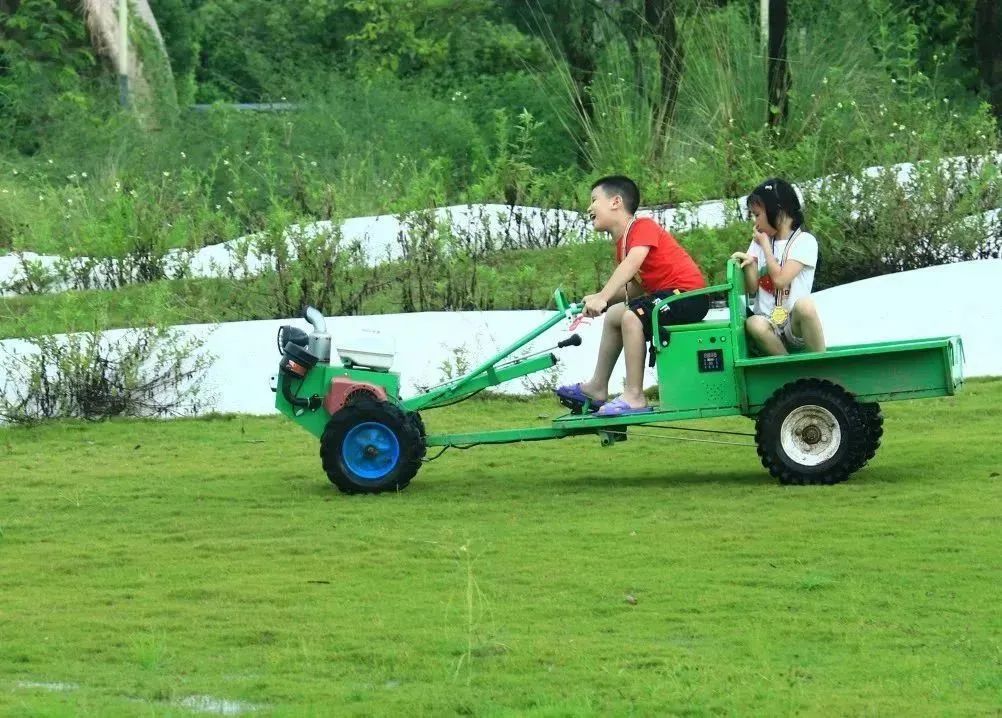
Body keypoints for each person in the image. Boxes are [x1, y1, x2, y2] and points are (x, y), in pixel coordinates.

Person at [555, 175, 708, 416]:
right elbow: (636, 287)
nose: (589, 207)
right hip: (668, 295)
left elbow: (632, 263)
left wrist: (603, 296)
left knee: (631, 317)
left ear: (615, 202)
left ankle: (635, 396)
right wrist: (602, 300)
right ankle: (597, 387)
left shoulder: (642, 226)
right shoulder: (623, 243)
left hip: (688, 296)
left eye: (594, 200)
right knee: (617, 314)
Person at [730, 178, 825, 355]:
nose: (755, 222)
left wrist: (766, 247)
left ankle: (822, 365)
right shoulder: (759, 241)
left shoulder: (804, 241)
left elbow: (781, 280)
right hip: (769, 323)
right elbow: (751, 288)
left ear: (778, 211)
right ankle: (787, 371)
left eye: (757, 215)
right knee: (753, 323)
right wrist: (748, 265)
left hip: (792, 323)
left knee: (806, 306)